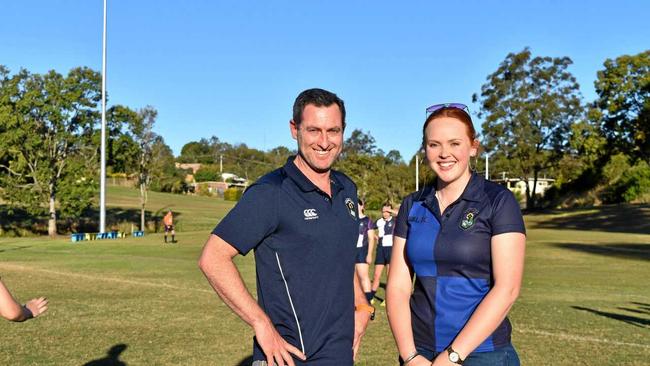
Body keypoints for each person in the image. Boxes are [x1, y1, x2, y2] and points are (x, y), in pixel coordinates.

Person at [198, 88, 372, 366]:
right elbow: (213, 257)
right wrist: (261, 324)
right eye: (314, 130)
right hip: (288, 356)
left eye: (333, 131)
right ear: (295, 130)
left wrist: (362, 305)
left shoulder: (347, 189)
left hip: (339, 354)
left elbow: (339, 255)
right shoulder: (271, 192)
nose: (325, 142)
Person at [386, 103, 526, 366]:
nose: (444, 154)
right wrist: (410, 355)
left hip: (484, 353)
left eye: (454, 143)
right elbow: (398, 286)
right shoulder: (412, 205)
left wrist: (452, 356)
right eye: (434, 144)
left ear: (473, 147)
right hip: (419, 353)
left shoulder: (498, 201)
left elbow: (507, 288)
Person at [370, 203, 395, 307]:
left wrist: (391, 211)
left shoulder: (395, 220)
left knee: (389, 277)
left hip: (391, 249)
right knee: (376, 275)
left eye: (387, 211)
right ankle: (370, 297)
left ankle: (387, 299)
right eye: (383, 211)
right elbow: (369, 228)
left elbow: (402, 214)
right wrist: (375, 237)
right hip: (380, 250)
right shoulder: (379, 221)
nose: (385, 213)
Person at [355, 199, 376, 304]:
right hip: (350, 251)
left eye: (357, 204)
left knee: (363, 276)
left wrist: (369, 254)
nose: (355, 206)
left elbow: (372, 239)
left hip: (362, 251)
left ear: (362, 206)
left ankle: (368, 299)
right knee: (353, 278)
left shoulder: (367, 221)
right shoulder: (350, 219)